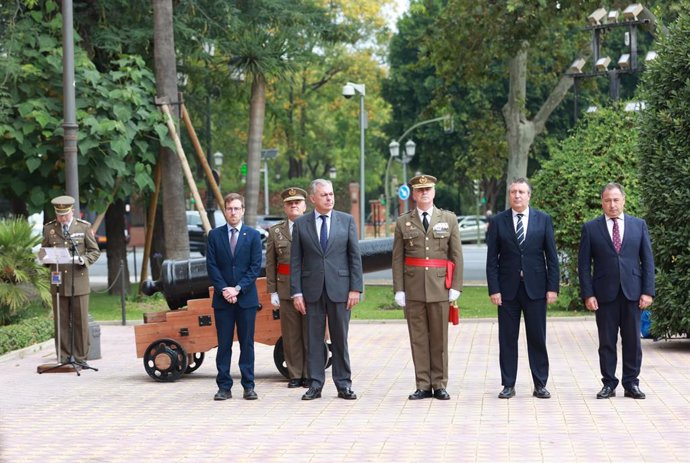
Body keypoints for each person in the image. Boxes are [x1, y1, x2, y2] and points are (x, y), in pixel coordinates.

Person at [578, 183, 654, 400]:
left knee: (633, 341)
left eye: (616, 200)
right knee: (607, 342)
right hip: (604, 295)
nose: (612, 204)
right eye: (607, 200)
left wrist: (648, 291)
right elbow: (583, 265)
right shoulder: (591, 228)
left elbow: (647, 261)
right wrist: (588, 294)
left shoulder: (639, 226)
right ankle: (609, 383)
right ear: (602, 202)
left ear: (623, 200)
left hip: (633, 293)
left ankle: (631, 383)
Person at [485, 178, 559, 400]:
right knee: (507, 339)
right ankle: (508, 384)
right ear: (509, 196)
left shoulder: (543, 220)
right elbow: (492, 260)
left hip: (536, 289)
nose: (517, 195)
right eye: (513, 192)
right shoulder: (499, 221)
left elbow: (552, 257)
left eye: (521, 192)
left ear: (529, 196)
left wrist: (552, 288)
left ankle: (540, 384)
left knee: (537, 337)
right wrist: (494, 289)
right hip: (507, 291)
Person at [392, 174, 464, 401]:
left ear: (434, 192)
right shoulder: (404, 222)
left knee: (439, 339)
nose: (424, 192)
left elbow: (456, 255)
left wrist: (456, 286)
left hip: (440, 287)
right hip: (413, 288)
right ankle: (423, 384)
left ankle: (440, 383)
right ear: (413, 194)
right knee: (419, 338)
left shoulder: (449, 219)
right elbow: (397, 259)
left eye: (428, 189)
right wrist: (399, 289)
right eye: (419, 189)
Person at [290, 179, 363, 401]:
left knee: (340, 338)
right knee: (314, 339)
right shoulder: (302, 224)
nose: (329, 198)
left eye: (331, 194)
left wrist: (355, 288)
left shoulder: (346, 221)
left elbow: (354, 257)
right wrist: (297, 292)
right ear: (313, 199)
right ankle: (315, 384)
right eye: (324, 195)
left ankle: (344, 384)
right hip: (312, 291)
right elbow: (295, 261)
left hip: (340, 290)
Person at [206, 193, 263, 401]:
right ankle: (224, 387)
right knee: (224, 344)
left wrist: (237, 289)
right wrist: (224, 290)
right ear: (225, 211)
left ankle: (249, 386)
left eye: (237, 208)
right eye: (230, 209)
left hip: (246, 299)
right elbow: (211, 266)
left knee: (247, 343)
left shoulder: (254, 236)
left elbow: (255, 267)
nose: (233, 212)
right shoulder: (214, 235)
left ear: (243, 211)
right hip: (223, 300)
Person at [41, 195, 101, 366]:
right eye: (59, 215)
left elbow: (94, 251)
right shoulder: (49, 229)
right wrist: (44, 258)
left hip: (78, 281)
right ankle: (64, 356)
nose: (62, 218)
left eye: (65, 215)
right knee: (61, 321)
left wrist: (83, 260)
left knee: (80, 321)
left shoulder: (83, 227)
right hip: (58, 281)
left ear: (72, 211)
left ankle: (81, 357)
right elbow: (44, 251)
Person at [266, 187, 309, 388]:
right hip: (285, 288)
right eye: (290, 203)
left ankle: (310, 373)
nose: (294, 205)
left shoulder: (313, 227)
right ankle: (295, 374)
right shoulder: (275, 232)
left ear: (304, 205)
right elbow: (271, 263)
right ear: (284, 207)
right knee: (291, 334)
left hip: (310, 287)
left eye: (297, 202)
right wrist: (272, 290)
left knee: (310, 332)